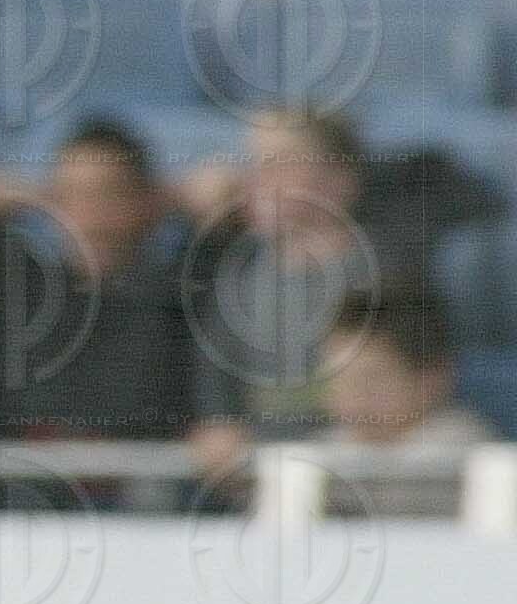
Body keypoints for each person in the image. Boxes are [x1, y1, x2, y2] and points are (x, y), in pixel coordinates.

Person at [182, 108, 505, 476]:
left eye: (280, 163)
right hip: (268, 479)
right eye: (253, 163)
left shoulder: (387, 269)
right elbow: (217, 394)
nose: (256, 179)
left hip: (372, 469)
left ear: (339, 179)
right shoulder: (235, 276)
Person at [0, 117, 198, 445]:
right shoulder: (23, 290)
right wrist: (42, 197)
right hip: (29, 475)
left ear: (146, 203)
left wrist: (165, 199)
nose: (91, 215)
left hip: (148, 474)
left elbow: (222, 194)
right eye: (73, 196)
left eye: (109, 195)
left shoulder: (179, 293)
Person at [316, 283, 497, 517]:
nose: (350, 403)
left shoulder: (469, 460)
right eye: (337, 381)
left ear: (432, 377)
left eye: (370, 382)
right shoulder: (323, 454)